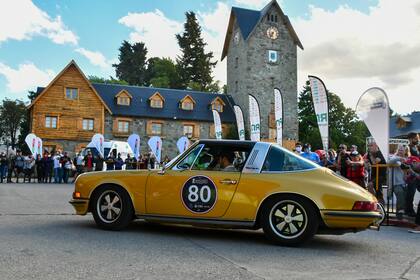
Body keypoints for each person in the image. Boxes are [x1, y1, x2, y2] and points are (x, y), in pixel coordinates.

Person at [388, 145, 410, 219]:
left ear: (405, 151)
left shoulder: (408, 159)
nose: (400, 151)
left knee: (405, 198)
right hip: (395, 183)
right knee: (400, 194)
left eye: (402, 150)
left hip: (406, 182)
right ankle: (400, 213)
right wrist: (400, 158)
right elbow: (390, 162)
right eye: (399, 150)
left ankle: (401, 213)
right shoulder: (393, 157)